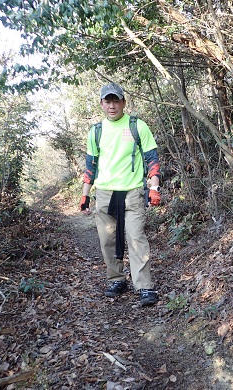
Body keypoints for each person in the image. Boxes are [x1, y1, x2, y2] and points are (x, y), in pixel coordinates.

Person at [80, 82, 161, 307]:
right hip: (105, 193)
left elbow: (152, 159)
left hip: (133, 192)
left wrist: (154, 187)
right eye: (108, 101)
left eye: (116, 101)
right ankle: (117, 280)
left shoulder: (137, 126)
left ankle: (145, 287)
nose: (112, 106)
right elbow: (90, 165)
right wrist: (85, 195)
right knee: (107, 240)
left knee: (136, 238)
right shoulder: (96, 131)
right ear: (102, 104)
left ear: (124, 102)